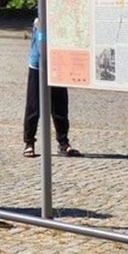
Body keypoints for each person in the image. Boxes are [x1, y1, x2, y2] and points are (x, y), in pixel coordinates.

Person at [23, 18, 82, 158]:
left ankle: (63, 143)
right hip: (38, 65)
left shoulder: (64, 20)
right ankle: (29, 142)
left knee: (60, 107)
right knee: (33, 106)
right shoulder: (39, 20)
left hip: (58, 64)